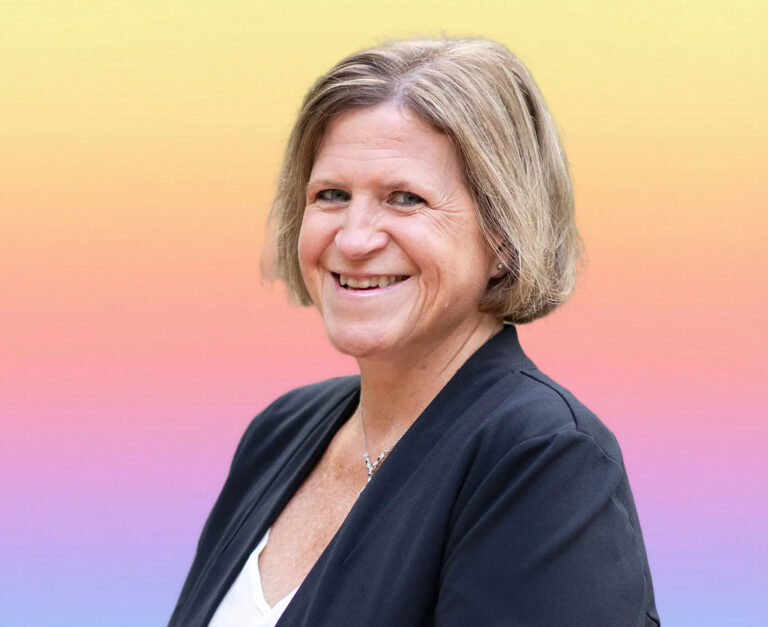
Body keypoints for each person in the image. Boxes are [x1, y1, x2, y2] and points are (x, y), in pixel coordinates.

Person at [169, 38, 660, 626]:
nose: (353, 240)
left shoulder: (543, 458)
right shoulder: (281, 433)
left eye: (405, 199)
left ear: (504, 236)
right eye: (331, 195)